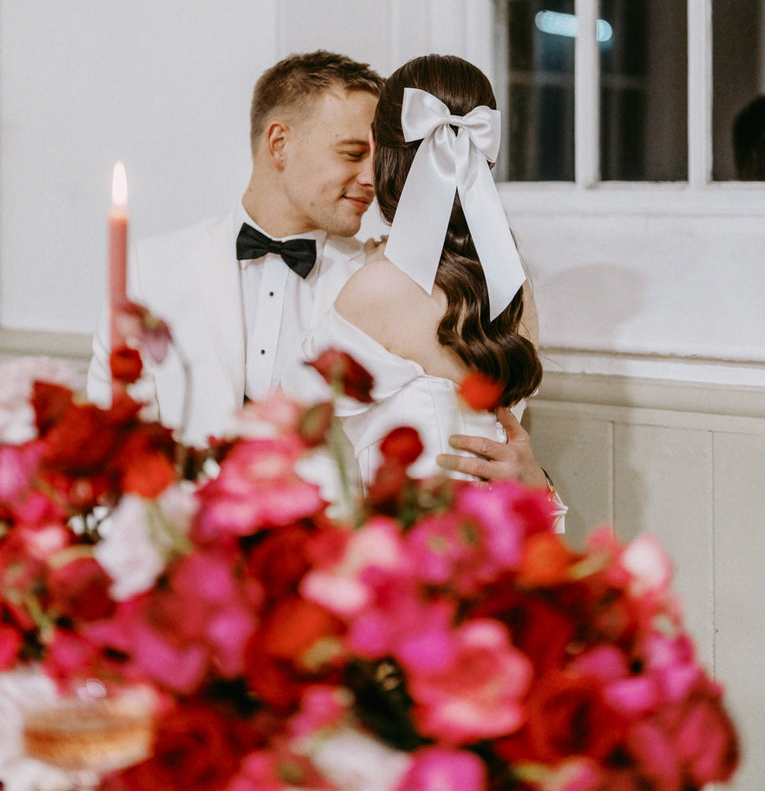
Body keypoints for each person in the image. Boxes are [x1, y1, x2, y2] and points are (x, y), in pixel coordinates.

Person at [87, 50, 545, 492]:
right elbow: (110, 432)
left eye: (375, 154)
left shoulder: (393, 279)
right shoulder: (150, 269)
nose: (370, 175)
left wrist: (534, 482)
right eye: (351, 153)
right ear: (279, 144)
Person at [299, 53, 565, 520]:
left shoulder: (377, 289)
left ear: (376, 143)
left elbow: (291, 432)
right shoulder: (511, 288)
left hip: (414, 562)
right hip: (509, 547)